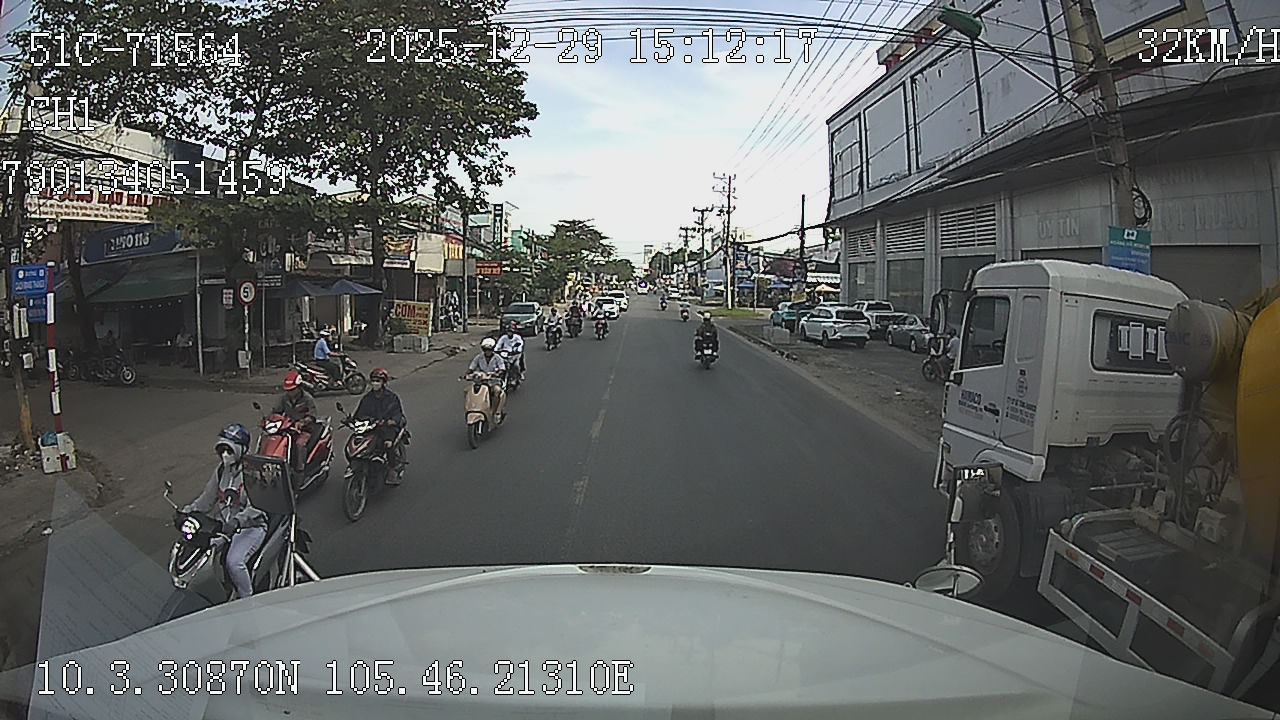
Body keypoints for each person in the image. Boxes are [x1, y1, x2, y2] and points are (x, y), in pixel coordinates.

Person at [181, 424, 267, 599]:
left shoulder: (253, 473)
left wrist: (237, 521)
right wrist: (187, 511)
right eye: (222, 451)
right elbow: (207, 499)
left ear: (242, 450)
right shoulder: (221, 471)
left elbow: (256, 507)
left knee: (234, 563)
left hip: (249, 527)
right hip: (223, 527)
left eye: (230, 450)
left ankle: (247, 599)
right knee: (198, 551)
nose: (225, 455)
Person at [353, 368, 408, 484]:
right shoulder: (367, 398)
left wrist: (391, 421)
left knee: (388, 444)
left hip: (387, 428)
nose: (375, 383)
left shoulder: (391, 397)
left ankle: (392, 470)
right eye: (373, 380)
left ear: (383, 382)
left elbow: (397, 413)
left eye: (378, 381)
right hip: (371, 427)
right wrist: (352, 420)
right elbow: (359, 414)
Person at [272, 370, 319, 472]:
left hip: (304, 429)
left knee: (299, 444)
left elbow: (312, 415)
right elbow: (276, 412)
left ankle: (300, 470)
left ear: (299, 387)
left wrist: (302, 423)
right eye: (288, 390)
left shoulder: (307, 399)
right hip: (287, 427)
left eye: (292, 390)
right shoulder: (284, 398)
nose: (290, 392)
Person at [467, 337, 507, 417]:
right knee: (467, 391)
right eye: (485, 350)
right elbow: (471, 367)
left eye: (489, 350)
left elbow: (502, 368)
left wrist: (498, 373)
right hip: (481, 382)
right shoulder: (478, 357)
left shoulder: (497, 358)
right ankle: (472, 408)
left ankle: (494, 411)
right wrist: (468, 374)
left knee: (497, 391)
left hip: (494, 381)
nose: (487, 352)